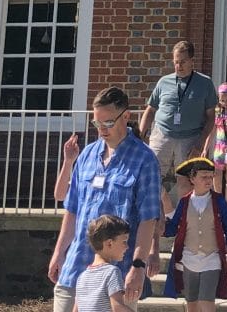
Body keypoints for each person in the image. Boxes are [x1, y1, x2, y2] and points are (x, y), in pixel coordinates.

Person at [50, 86, 162, 312]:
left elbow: (148, 219)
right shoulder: (87, 155)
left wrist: (138, 266)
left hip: (117, 276)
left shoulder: (145, 159)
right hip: (75, 267)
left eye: (108, 123)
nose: (101, 129)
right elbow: (72, 210)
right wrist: (59, 253)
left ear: (126, 116)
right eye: (96, 123)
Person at [140, 41, 219, 217]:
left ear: (192, 61)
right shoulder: (164, 82)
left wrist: (200, 143)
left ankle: (183, 221)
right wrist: (141, 134)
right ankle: (163, 212)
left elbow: (211, 118)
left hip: (190, 137)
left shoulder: (205, 84)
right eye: (176, 61)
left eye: (183, 61)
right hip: (162, 134)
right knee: (151, 176)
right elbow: (150, 110)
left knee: (186, 180)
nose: (179, 65)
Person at [161, 156, 227, 312]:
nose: (208, 180)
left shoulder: (219, 201)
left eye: (210, 177)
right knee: (192, 302)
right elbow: (172, 229)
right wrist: (159, 226)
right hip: (188, 259)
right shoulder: (184, 202)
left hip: (211, 258)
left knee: (206, 301)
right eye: (204, 176)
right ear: (193, 178)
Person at [75, 215, 137, 312]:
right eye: (124, 241)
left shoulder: (82, 277)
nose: (127, 247)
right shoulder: (112, 272)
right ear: (109, 243)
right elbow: (117, 307)